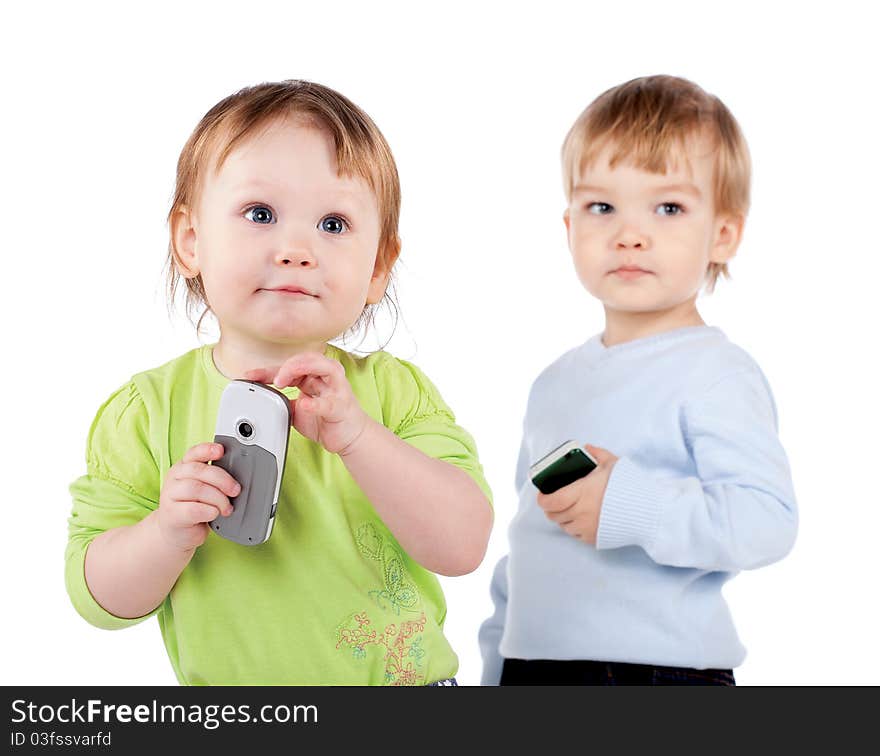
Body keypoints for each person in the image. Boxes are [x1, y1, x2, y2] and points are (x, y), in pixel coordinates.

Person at [66, 79, 493, 686]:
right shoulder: (146, 411)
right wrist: (164, 533)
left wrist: (359, 439)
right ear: (191, 241)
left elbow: (462, 546)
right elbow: (97, 600)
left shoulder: (395, 394)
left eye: (334, 223)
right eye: (260, 214)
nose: (297, 248)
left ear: (377, 267)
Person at [479, 75, 797, 686]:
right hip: (534, 667)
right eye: (602, 207)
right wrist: (496, 664)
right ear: (569, 226)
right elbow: (529, 541)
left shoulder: (715, 373)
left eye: (668, 207)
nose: (630, 233)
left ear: (723, 234)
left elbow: (766, 521)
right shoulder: (554, 383)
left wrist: (630, 505)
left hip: (659, 670)